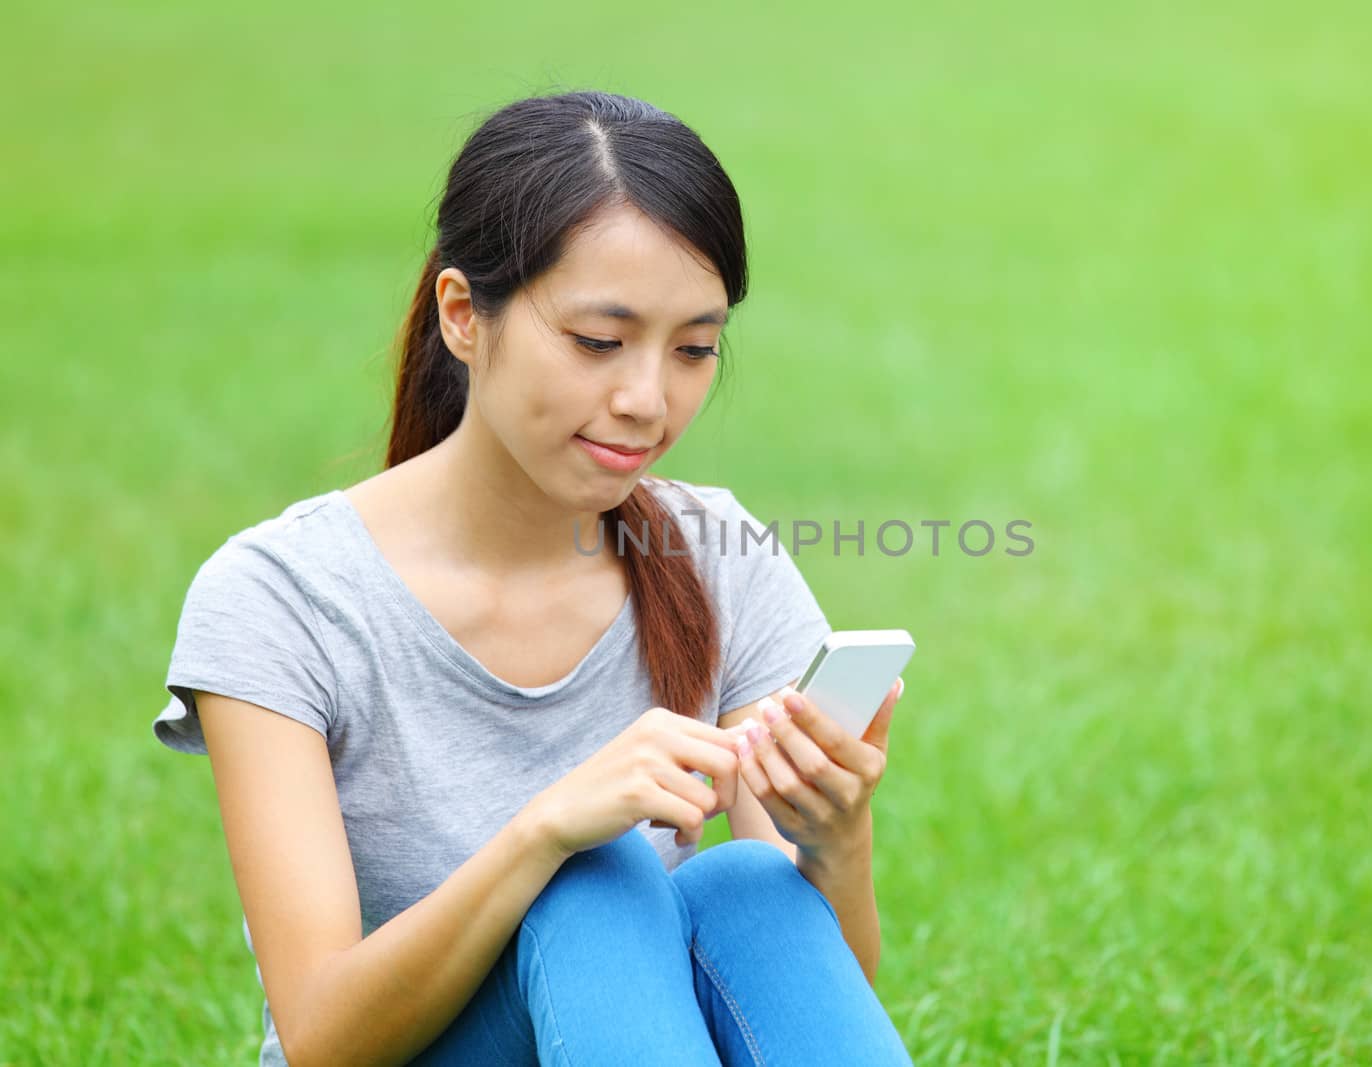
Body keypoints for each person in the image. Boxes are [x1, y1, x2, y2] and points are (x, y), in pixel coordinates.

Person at [151, 89, 914, 1066]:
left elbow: (799, 999)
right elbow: (322, 1036)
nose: (647, 399)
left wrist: (836, 840)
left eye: (694, 349)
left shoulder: (719, 553)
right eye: (599, 341)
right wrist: (543, 831)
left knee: (751, 887)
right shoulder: (282, 596)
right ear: (465, 315)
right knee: (596, 880)